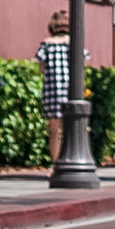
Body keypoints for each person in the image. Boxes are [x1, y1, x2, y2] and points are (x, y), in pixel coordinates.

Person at [35, 11, 73, 163]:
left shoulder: (46, 44)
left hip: (52, 92)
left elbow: (40, 68)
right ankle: (69, 159)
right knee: (69, 129)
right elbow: (83, 61)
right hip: (70, 92)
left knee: (54, 131)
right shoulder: (73, 43)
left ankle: (55, 162)